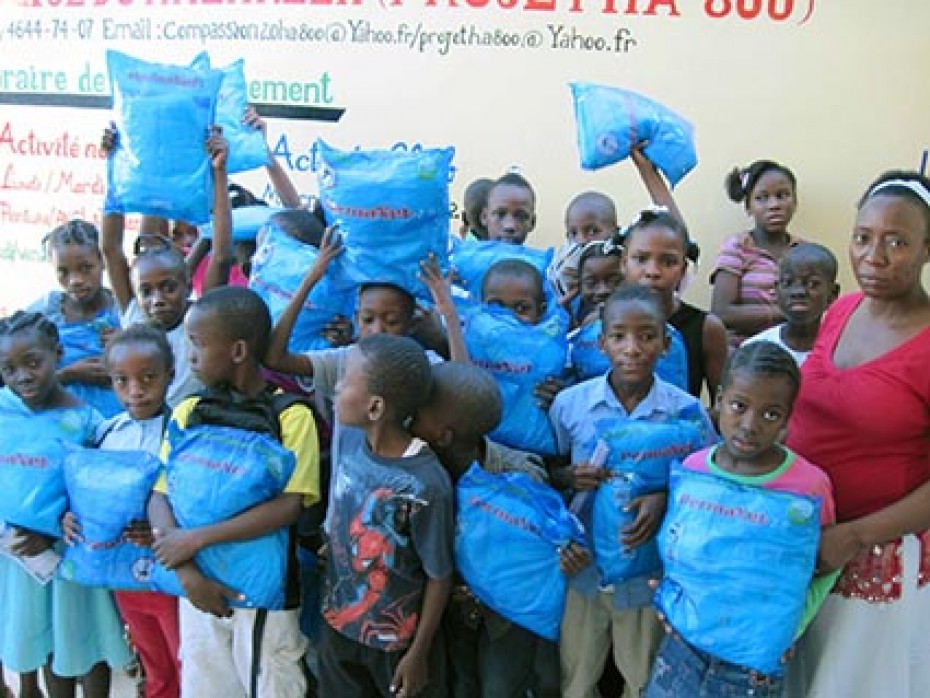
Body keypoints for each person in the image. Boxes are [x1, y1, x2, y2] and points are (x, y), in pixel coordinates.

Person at [785, 171, 930, 697]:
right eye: (863, 237)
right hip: (810, 548)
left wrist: (854, 536)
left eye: (897, 241)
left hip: (876, 560)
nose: (874, 255)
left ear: (926, 249)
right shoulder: (841, 310)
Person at [147, 287, 320, 698]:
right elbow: (160, 494)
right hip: (196, 587)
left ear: (238, 350)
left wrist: (196, 539)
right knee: (206, 685)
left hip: (261, 596)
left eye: (198, 344)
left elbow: (290, 505)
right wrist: (187, 573)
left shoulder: (290, 417)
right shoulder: (190, 411)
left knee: (271, 684)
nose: (189, 356)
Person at [548, 285, 716, 698]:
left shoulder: (685, 413)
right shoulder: (570, 405)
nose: (633, 348)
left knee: (642, 677)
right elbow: (546, 471)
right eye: (619, 336)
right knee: (576, 676)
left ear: (665, 343)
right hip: (583, 566)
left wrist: (663, 499)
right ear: (601, 343)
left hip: (647, 571)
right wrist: (568, 477)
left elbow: (706, 488)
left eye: (646, 336)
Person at [644, 341, 836, 698]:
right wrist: (672, 598)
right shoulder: (694, 468)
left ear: (787, 418)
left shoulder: (808, 486)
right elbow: (680, 546)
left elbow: (823, 564)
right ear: (718, 399)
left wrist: (789, 628)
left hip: (751, 661)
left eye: (770, 414)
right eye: (739, 406)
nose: (750, 425)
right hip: (683, 644)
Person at [411, 362, 588, 697]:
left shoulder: (520, 478)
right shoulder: (420, 471)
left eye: (418, 415)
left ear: (443, 435)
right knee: (461, 683)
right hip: (447, 608)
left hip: (506, 619)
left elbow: (546, 550)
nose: (410, 421)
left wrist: (568, 554)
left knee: (502, 686)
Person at [0, 311, 131, 698]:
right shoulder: (3, 411)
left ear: (57, 354)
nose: (22, 376)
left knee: (80, 643)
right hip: (15, 556)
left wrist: (57, 529)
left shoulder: (88, 422)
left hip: (70, 559)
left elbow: (101, 496)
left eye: (32, 363)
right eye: (8, 369)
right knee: (37, 641)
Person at [320, 334, 453, 698]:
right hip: (338, 627)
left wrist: (419, 653)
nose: (337, 386)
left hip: (395, 646)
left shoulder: (426, 485)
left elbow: (438, 575)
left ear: (375, 407)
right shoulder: (351, 444)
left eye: (346, 380)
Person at [61, 324, 181, 698]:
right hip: (120, 576)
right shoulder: (106, 433)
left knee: (185, 657)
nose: (136, 390)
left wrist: (161, 529)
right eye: (121, 380)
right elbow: (87, 494)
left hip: (170, 575)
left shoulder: (183, 431)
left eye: (148, 377)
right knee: (152, 659)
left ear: (170, 375)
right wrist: (68, 517)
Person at [264, 229, 466, 421]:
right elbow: (274, 358)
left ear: (410, 324)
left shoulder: (423, 365)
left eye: (392, 321)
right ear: (356, 318)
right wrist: (312, 277)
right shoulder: (343, 361)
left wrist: (449, 315)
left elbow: (465, 393)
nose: (378, 330)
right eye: (368, 320)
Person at [100, 127, 232, 407]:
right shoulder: (134, 313)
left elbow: (221, 254)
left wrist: (219, 172)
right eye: (146, 291)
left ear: (187, 284)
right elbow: (111, 250)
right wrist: (112, 163)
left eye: (168, 288)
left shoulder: (201, 317)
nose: (157, 300)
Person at [626, 147, 729, 402]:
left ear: (684, 268)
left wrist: (649, 173)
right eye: (640, 259)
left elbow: (723, 405)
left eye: (668, 262)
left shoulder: (706, 329)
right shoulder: (604, 321)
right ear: (622, 263)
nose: (652, 272)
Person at [29, 219, 122, 417]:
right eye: (63, 271)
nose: (75, 280)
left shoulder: (122, 310)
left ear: (102, 262)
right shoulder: (47, 311)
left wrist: (126, 344)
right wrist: (69, 374)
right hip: (62, 420)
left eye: (86, 268)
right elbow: (21, 370)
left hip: (118, 421)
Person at [711, 160, 803, 347]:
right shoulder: (738, 248)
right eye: (762, 197)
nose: (774, 205)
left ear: (795, 202)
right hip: (744, 350)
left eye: (782, 195)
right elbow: (721, 312)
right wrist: (783, 312)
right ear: (748, 207)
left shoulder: (803, 251)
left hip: (793, 347)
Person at [744, 243, 839, 365]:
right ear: (776, 290)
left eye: (812, 284)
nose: (798, 292)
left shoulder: (842, 351)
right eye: (787, 283)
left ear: (833, 294)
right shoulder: (755, 350)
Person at [481, 172, 537, 245]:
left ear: (532, 222)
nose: (510, 226)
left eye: (521, 216)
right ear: (484, 217)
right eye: (500, 214)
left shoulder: (541, 256)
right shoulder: (466, 255)